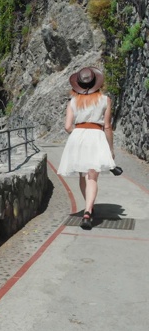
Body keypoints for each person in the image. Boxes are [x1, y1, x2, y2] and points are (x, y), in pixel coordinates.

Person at [56, 66, 116, 230]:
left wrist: (78, 135)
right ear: (97, 82)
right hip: (96, 136)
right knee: (93, 176)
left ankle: (88, 208)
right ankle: (88, 211)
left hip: (78, 136)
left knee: (83, 175)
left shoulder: (73, 101)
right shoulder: (105, 100)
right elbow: (108, 126)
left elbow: (68, 126)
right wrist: (110, 149)